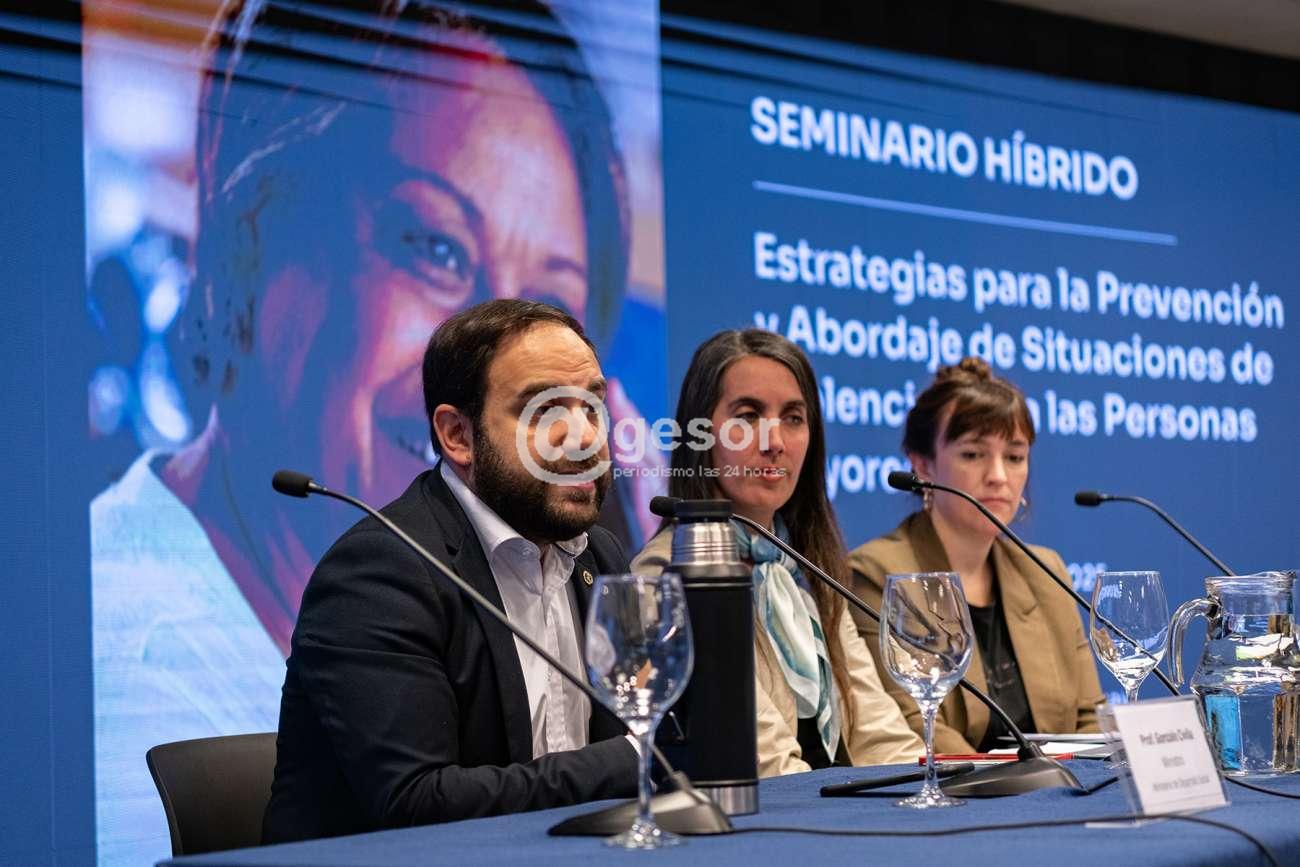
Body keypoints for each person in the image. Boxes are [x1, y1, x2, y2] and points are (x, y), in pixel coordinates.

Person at [89, 4, 657, 861]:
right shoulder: (138, 653)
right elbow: (423, 806)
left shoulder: (587, 558)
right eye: (435, 246)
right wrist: (631, 759)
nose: (570, 430)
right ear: (253, 230)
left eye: (544, 304)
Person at [263, 299, 637, 841]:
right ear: (458, 435)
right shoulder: (380, 572)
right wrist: (633, 759)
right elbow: (417, 803)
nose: (584, 438)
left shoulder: (598, 556)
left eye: (592, 406)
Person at [631, 329, 922, 776]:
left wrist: (925, 788)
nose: (775, 442)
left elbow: (878, 731)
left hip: (831, 807)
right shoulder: (667, 570)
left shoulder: (803, 564)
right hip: (767, 812)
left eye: (793, 418)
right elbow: (764, 762)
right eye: (748, 416)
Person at [846, 357, 1104, 754]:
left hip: (1057, 787)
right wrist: (1019, 778)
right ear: (922, 465)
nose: (998, 476)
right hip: (955, 791)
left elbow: (1089, 718)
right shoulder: (878, 575)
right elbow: (914, 726)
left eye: (1014, 457)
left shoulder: (1045, 571)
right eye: (972, 454)